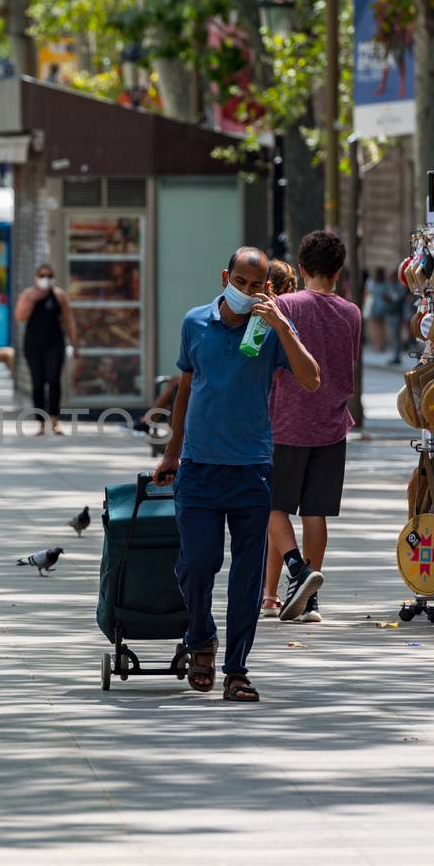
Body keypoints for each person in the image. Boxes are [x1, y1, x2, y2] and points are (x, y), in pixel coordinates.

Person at [154, 247, 321, 702]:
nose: (246, 292)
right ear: (226, 276)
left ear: (267, 286)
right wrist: (172, 452)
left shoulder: (269, 330)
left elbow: (311, 378)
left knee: (246, 576)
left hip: (251, 470)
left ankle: (236, 670)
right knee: (196, 564)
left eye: (256, 285)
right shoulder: (194, 323)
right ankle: (201, 637)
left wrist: (283, 325)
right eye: (240, 283)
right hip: (199, 468)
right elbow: (186, 389)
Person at [260, 231, 361, 622]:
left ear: (301, 269)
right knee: (315, 511)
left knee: (272, 502)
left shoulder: (284, 305)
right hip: (332, 422)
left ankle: (297, 570)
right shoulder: (351, 313)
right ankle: (310, 600)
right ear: (339, 271)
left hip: (286, 419)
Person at [14, 263, 79, 435]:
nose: (45, 279)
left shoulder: (59, 295)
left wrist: (74, 342)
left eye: (49, 275)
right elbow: (20, 317)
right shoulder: (28, 295)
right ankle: (41, 422)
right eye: (42, 276)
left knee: (54, 380)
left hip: (55, 343)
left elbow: (68, 319)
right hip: (33, 345)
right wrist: (33, 299)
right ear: (36, 277)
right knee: (38, 383)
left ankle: (54, 420)